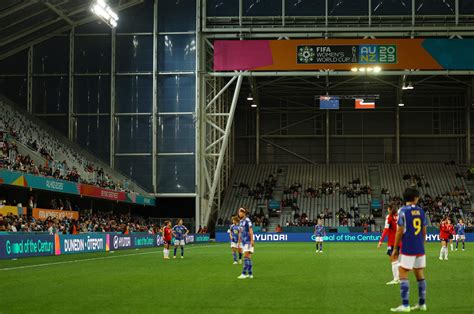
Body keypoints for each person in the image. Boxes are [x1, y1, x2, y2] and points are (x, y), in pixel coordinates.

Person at [390, 187, 427, 312]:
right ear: (415, 198)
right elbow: (424, 230)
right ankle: (422, 303)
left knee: (403, 272)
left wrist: (395, 248)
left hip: (408, 246)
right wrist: (422, 242)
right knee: (420, 274)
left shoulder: (403, 210)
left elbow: (399, 230)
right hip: (419, 246)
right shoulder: (421, 211)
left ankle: (405, 305)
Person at [378, 204, 400, 285]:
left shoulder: (389, 217)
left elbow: (386, 229)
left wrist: (381, 241)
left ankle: (395, 279)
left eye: (388, 208)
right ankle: (399, 278)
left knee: (393, 261)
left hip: (392, 242)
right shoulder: (400, 216)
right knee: (397, 260)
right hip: (400, 241)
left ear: (390, 209)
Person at [237, 207, 254, 279]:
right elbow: (240, 232)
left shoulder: (247, 220)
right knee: (248, 258)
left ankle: (243, 274)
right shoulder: (240, 221)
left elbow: (251, 230)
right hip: (243, 242)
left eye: (240, 212)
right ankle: (250, 274)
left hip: (248, 241)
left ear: (243, 213)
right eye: (238, 212)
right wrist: (239, 241)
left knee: (246, 257)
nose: (239, 213)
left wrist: (252, 240)